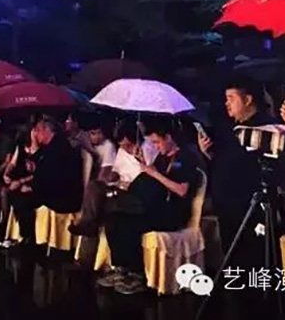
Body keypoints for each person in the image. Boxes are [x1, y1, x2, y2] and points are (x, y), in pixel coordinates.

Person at [98, 122, 200, 295]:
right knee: (114, 218)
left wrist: (154, 173)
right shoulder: (161, 157)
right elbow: (153, 181)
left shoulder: (185, 158)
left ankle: (137, 275)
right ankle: (121, 269)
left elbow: (182, 191)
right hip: (154, 206)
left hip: (172, 212)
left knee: (130, 225)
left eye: (157, 142)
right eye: (153, 143)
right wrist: (144, 164)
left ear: (168, 138)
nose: (155, 146)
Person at [196, 76, 274, 262]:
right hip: (226, 205)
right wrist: (207, 152)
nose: (227, 104)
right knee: (231, 254)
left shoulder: (265, 128)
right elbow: (222, 161)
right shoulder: (228, 129)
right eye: (226, 99)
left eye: (231, 98)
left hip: (250, 206)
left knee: (254, 256)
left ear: (248, 99)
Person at [7, 116, 83, 244]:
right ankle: (27, 235)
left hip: (63, 195)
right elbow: (42, 172)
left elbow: (54, 177)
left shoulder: (59, 148)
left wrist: (31, 187)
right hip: (52, 188)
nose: (35, 134)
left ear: (47, 130)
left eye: (38, 130)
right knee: (17, 194)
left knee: (21, 199)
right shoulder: (50, 147)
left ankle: (28, 238)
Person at [70, 121, 133, 237]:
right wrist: (113, 175)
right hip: (114, 184)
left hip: (127, 188)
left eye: (127, 145)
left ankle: (88, 224)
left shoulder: (109, 146)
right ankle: (87, 223)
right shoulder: (121, 151)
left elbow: (105, 173)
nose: (125, 148)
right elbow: (115, 171)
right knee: (93, 187)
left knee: (96, 190)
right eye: (93, 133)